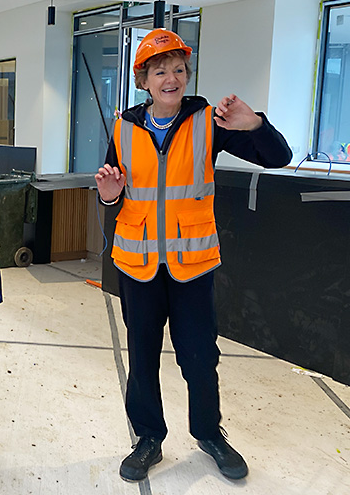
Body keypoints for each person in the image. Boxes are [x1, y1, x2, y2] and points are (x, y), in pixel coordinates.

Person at [95, 29, 292, 483]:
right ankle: (148, 437)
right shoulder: (124, 127)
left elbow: (279, 157)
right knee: (142, 356)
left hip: (192, 265)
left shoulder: (208, 121)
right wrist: (108, 197)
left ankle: (209, 433)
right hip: (137, 264)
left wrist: (255, 124)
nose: (172, 78)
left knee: (199, 355)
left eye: (179, 69)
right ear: (143, 79)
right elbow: (116, 190)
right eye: (160, 71)